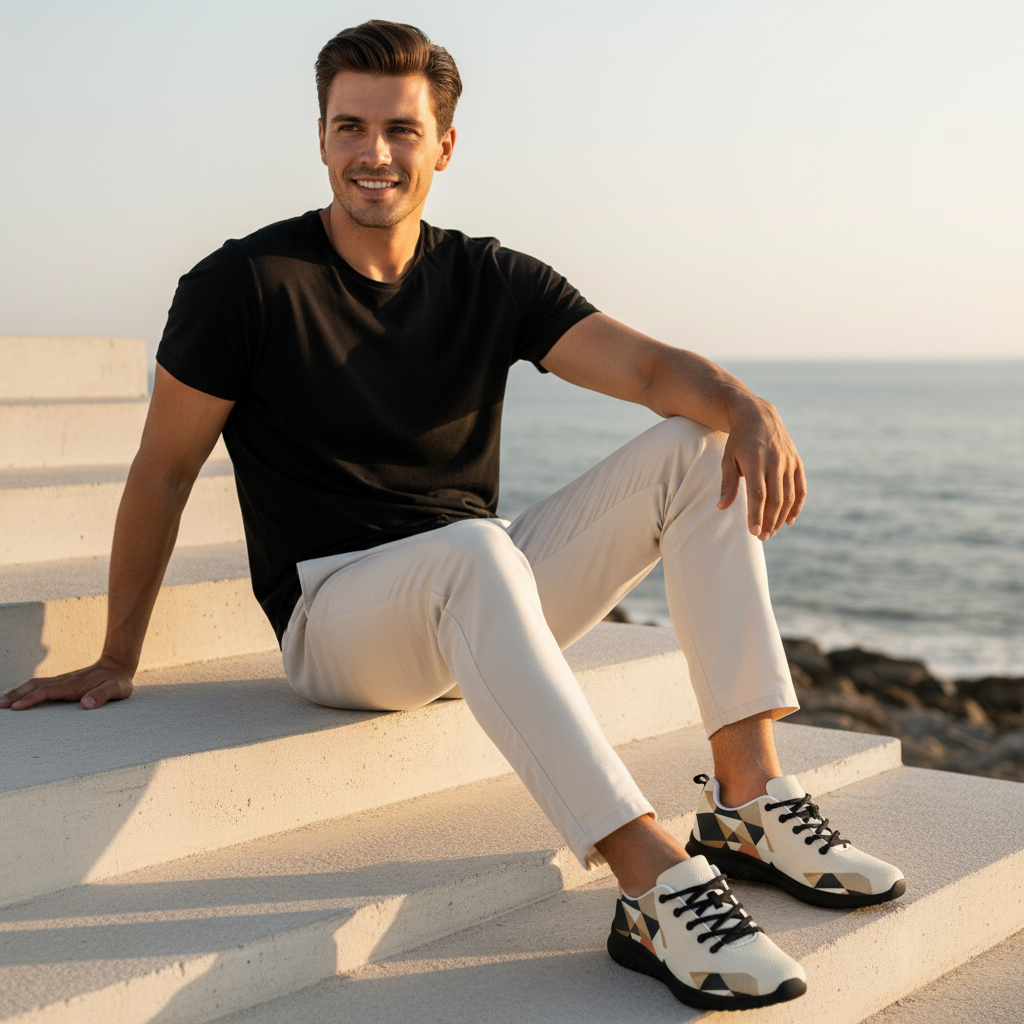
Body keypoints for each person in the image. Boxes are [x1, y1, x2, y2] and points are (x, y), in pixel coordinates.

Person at [1, 20, 905, 1011]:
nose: (372, 152)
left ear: (443, 144)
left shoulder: (487, 276)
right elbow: (164, 469)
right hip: (337, 618)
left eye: (398, 128)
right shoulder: (244, 287)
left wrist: (746, 405)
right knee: (475, 549)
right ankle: (650, 879)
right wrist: (118, 654)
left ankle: (745, 801)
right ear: (320, 137)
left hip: (479, 587)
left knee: (693, 446)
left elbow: (649, 371)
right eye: (349, 126)